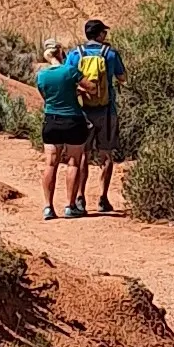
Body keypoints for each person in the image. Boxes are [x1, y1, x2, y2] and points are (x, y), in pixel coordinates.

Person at [30, 37, 91, 218]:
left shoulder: (42, 75)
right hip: (73, 120)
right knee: (73, 162)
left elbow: (45, 97)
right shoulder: (70, 70)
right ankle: (70, 206)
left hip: (51, 120)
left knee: (50, 163)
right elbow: (91, 87)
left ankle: (48, 207)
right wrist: (78, 91)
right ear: (61, 52)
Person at [72, 18, 126, 215]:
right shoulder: (110, 54)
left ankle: (80, 198)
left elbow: (69, 79)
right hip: (107, 110)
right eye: (104, 32)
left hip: (83, 111)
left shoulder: (75, 54)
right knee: (106, 155)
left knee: (83, 155)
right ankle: (103, 199)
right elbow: (122, 78)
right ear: (100, 34)